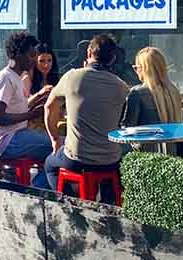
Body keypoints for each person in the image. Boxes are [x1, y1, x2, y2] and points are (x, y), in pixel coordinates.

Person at [43, 34, 129, 195]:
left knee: (49, 165)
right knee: (111, 173)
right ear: (112, 59)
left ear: (89, 53)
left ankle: (70, 205)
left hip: (76, 159)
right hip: (110, 160)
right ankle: (108, 205)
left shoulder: (72, 77)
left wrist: (54, 139)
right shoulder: (121, 87)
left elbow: (49, 107)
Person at [0, 32, 53, 163]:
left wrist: (38, 101)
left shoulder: (17, 77)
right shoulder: (5, 78)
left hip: (17, 135)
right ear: (17, 55)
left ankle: (40, 181)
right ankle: (39, 183)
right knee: (58, 146)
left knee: (56, 147)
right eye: (31, 55)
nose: (34, 60)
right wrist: (31, 115)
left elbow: (15, 109)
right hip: (7, 140)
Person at [122, 46, 183, 154]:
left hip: (146, 157)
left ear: (144, 69)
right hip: (171, 154)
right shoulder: (173, 91)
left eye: (136, 68)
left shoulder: (137, 93)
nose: (136, 71)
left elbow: (127, 130)